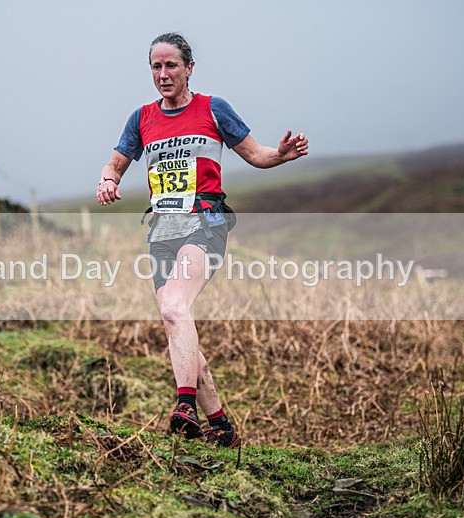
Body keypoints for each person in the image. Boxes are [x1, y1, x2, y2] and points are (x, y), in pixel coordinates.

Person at [95, 33, 308, 447]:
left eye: (171, 65)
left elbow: (257, 154)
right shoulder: (141, 119)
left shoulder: (213, 109)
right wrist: (107, 180)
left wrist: (281, 154)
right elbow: (116, 164)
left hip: (204, 224)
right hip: (162, 234)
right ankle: (222, 427)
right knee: (178, 327)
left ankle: (184, 405)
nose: (163, 74)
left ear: (189, 68)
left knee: (175, 308)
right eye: (156, 67)